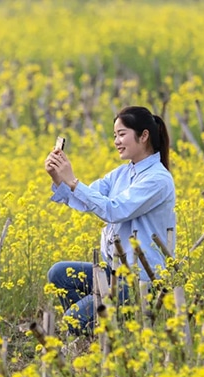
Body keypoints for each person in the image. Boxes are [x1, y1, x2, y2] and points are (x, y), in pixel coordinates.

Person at [44, 106, 176, 335]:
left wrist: (73, 181)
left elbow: (114, 210)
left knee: (72, 319)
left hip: (139, 280)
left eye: (122, 134)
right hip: (115, 273)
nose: (116, 141)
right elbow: (87, 200)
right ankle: (97, 331)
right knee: (58, 273)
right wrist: (59, 178)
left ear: (144, 136)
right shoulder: (122, 174)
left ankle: (94, 329)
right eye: (115, 135)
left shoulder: (158, 179)